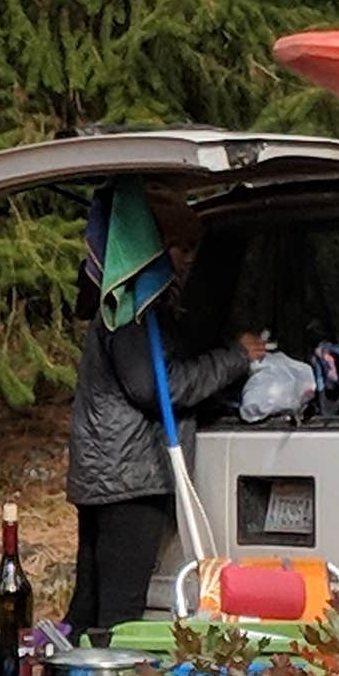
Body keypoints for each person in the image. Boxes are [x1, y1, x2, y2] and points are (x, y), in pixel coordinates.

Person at [66, 189, 267, 640]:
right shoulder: (136, 309)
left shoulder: (130, 305)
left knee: (91, 602)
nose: (189, 259)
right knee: (118, 608)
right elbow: (157, 387)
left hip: (109, 471)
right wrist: (236, 357)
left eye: (195, 248)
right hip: (129, 476)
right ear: (156, 249)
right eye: (182, 248)